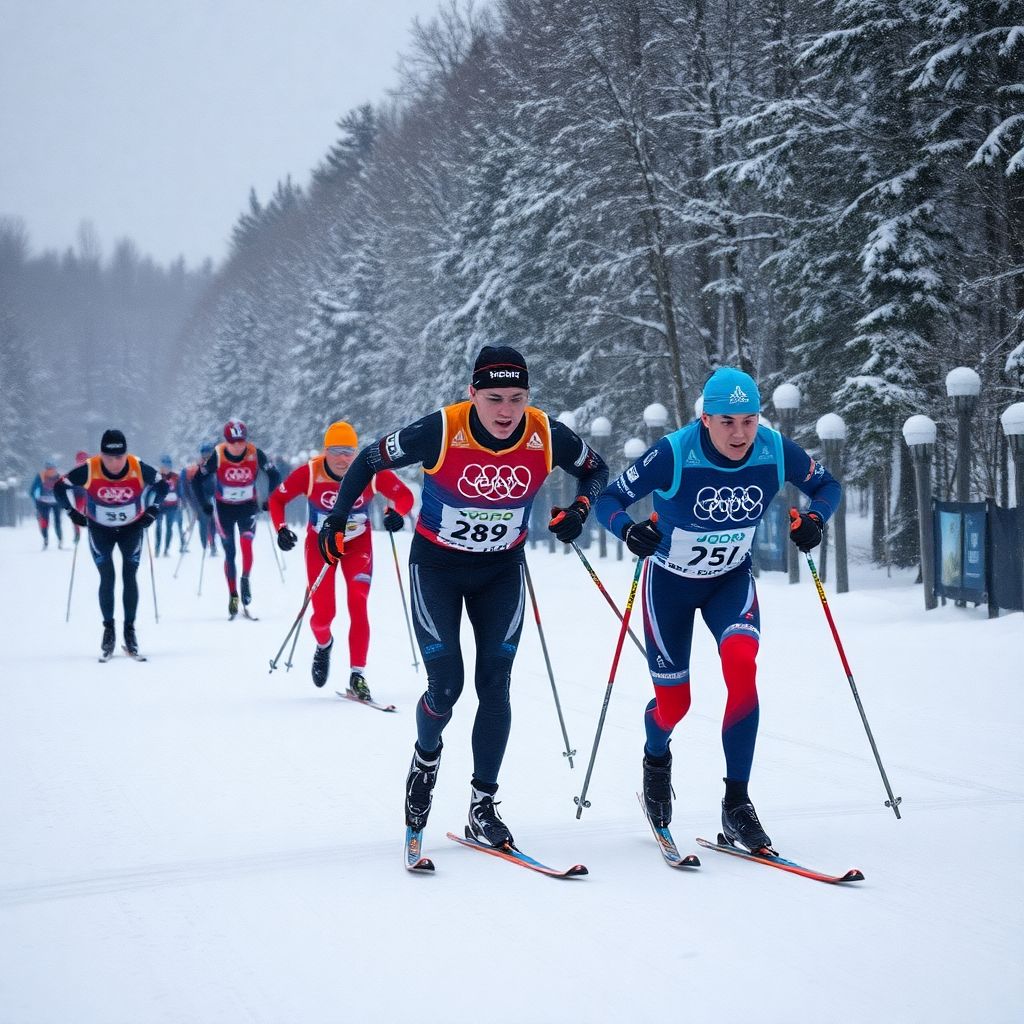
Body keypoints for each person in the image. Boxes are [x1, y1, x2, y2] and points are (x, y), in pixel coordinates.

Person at [318, 345, 608, 848]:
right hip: (437, 569)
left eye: (517, 398)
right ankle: (425, 760)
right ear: (472, 394)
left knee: (496, 685)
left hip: (501, 571)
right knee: (446, 686)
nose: (506, 410)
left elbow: (596, 469)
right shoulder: (441, 429)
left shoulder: (545, 433)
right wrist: (337, 517)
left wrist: (580, 508)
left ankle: (482, 805)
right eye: (494, 398)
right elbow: (367, 460)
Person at [594, 367, 841, 853]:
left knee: (742, 666)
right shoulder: (674, 452)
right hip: (669, 586)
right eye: (727, 421)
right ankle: (656, 761)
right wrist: (629, 530)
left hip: (730, 582)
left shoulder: (774, 449)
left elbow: (827, 486)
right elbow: (610, 499)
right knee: (674, 705)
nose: (740, 433)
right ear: (705, 419)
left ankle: (737, 804)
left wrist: (816, 519)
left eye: (749, 420)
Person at [269, 421, 415, 696]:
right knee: (323, 615)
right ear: (325, 451)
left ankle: (357, 674)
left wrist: (397, 513)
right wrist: (281, 529)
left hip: (358, 545)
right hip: (321, 545)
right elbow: (277, 500)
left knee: (358, 603)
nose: (342, 458)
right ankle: (324, 644)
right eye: (335, 451)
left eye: (348, 451)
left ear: (356, 452)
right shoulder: (310, 473)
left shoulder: (370, 472)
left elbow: (404, 497)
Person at [55, 429, 167, 658]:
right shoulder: (90, 468)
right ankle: (108, 630)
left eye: (119, 457)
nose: (115, 463)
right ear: (101, 454)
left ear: (126, 454)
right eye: (109, 457)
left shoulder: (137, 466)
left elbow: (162, 486)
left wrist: (153, 510)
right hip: (100, 530)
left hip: (131, 528)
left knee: (129, 576)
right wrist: (71, 512)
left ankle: (129, 630)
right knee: (107, 578)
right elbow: (59, 487)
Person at [192, 420, 280, 618]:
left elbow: (274, 475)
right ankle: (233, 594)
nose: (238, 445)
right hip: (224, 510)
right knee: (230, 553)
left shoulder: (255, 453)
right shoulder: (218, 455)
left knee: (247, 544)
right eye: (233, 442)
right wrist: (203, 504)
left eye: (241, 441)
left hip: (247, 507)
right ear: (226, 441)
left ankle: (245, 579)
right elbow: (196, 480)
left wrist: (269, 498)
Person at [29, 458, 64, 549]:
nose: (51, 471)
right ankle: (60, 541)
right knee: (57, 522)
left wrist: (36, 500)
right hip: (56, 502)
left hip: (43, 502)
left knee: (44, 521)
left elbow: (32, 490)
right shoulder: (59, 476)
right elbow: (64, 490)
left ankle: (46, 540)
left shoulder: (40, 476)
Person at [154, 454, 185, 556]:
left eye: (168, 466)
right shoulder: (157, 477)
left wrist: (182, 500)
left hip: (172, 506)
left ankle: (166, 549)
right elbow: (152, 491)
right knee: (158, 526)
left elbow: (180, 490)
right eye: (164, 466)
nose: (166, 469)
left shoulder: (175, 477)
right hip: (160, 506)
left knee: (169, 526)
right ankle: (157, 548)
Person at [69, 450, 90, 545]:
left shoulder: (75, 470)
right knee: (91, 515)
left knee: (77, 515)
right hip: (86, 496)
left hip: (79, 496)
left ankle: (77, 533)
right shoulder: (90, 469)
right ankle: (91, 532)